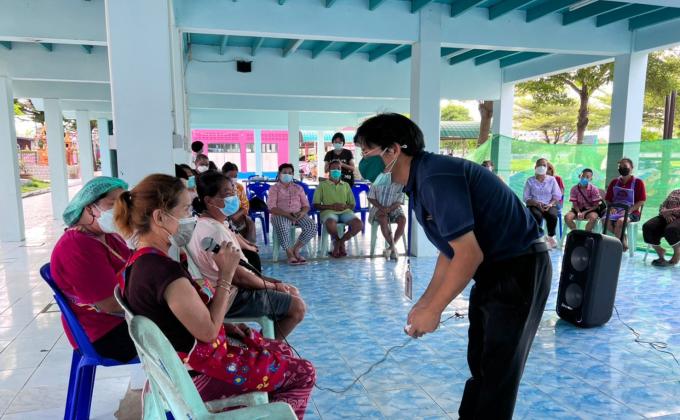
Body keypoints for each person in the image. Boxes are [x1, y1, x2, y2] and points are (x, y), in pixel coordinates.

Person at [354, 113, 551, 420]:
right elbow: (450, 252)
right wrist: (425, 302)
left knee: (498, 371)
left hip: (518, 267)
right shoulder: (419, 181)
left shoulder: (435, 177)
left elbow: (468, 255)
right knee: (481, 361)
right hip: (495, 271)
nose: (362, 161)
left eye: (366, 152)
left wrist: (434, 310)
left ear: (393, 150)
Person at [115, 174, 315, 419]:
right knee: (304, 372)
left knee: (279, 351)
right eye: (185, 210)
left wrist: (228, 328)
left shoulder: (138, 262)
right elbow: (208, 332)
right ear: (160, 217)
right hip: (196, 377)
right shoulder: (163, 272)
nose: (190, 218)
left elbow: (178, 320)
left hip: (181, 366)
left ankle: (261, 411)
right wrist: (226, 274)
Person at [188, 171, 306, 339]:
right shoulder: (214, 231)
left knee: (289, 291)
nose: (234, 198)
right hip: (230, 296)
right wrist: (274, 287)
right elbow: (239, 278)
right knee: (297, 307)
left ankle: (264, 343)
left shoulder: (210, 224)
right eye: (228, 194)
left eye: (234, 192)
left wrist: (273, 283)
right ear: (209, 200)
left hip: (230, 288)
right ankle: (267, 349)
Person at [50, 176, 136, 362]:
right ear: (89, 208)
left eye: (123, 204)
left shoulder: (108, 236)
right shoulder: (77, 246)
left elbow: (136, 267)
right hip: (105, 333)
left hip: (123, 320)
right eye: (112, 204)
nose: (121, 210)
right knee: (182, 332)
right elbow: (110, 304)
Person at [268, 163, 316, 265]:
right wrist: (287, 214)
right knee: (282, 226)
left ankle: (296, 249)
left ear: (293, 174)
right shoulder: (274, 188)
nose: (287, 175)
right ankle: (289, 254)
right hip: (280, 214)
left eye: (290, 173)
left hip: (298, 214)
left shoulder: (298, 188)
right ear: (279, 174)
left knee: (312, 226)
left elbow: (306, 205)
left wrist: (301, 213)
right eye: (284, 172)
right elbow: (271, 207)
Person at [313, 161, 363, 258]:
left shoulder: (346, 185)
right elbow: (316, 205)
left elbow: (352, 204)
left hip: (345, 212)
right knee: (330, 223)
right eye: (333, 168)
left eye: (338, 169)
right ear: (329, 170)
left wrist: (344, 206)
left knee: (359, 224)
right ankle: (338, 243)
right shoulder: (322, 185)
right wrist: (331, 207)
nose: (336, 170)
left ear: (341, 171)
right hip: (329, 212)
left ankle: (339, 243)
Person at [362, 153, 405, 260]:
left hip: (394, 208)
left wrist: (390, 208)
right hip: (378, 207)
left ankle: (390, 248)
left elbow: (400, 200)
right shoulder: (378, 179)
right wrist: (382, 208)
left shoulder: (400, 181)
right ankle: (393, 248)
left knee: (402, 220)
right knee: (382, 218)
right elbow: (371, 197)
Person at [605, 157, 647, 251]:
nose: (622, 168)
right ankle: (622, 238)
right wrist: (611, 208)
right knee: (604, 220)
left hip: (632, 212)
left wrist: (629, 211)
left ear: (631, 168)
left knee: (620, 221)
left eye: (624, 166)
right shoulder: (614, 182)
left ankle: (617, 248)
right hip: (615, 210)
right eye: (620, 166)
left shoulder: (638, 182)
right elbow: (608, 199)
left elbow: (642, 200)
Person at [524, 158, 562, 248]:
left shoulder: (552, 180)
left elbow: (557, 196)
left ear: (547, 167)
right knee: (536, 215)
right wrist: (536, 204)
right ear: (535, 167)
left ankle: (551, 236)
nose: (541, 167)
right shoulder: (530, 181)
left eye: (544, 165)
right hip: (534, 205)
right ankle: (537, 237)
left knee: (552, 215)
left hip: (549, 204)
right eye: (539, 165)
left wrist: (550, 204)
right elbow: (526, 198)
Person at [643, 189, 680, 267]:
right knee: (648, 227)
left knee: (671, 229)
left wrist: (669, 211)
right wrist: (665, 213)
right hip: (666, 215)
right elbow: (662, 205)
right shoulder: (675, 192)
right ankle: (660, 251)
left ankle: (677, 253)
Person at [221, 162, 256, 243]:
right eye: (230, 176)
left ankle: (250, 246)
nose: (233, 178)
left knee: (250, 223)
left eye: (235, 176)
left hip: (239, 214)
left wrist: (237, 215)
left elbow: (245, 206)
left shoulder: (239, 187)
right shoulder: (219, 188)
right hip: (224, 216)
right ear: (223, 175)